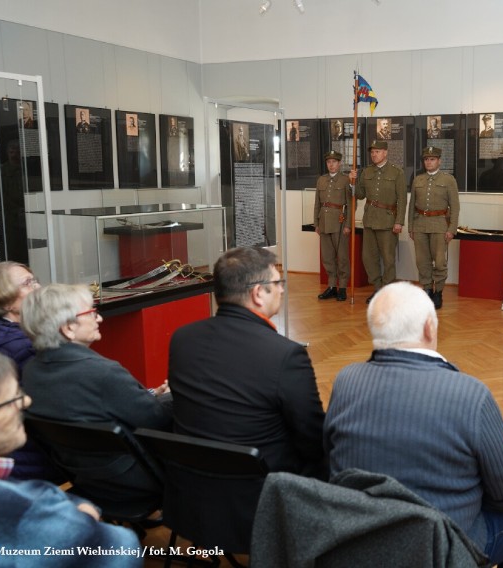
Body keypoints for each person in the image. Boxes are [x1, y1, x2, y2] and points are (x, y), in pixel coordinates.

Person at [325, 282, 503, 567]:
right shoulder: (471, 394)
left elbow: (331, 464)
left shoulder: (346, 381)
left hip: (362, 540)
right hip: (444, 551)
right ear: (430, 327)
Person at [0, 345, 140, 567]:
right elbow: (122, 550)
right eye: (12, 400)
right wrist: (84, 518)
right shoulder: (27, 511)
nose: (26, 402)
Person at [167, 247, 327, 479]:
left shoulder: (182, 339)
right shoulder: (285, 355)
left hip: (189, 489)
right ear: (258, 293)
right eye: (278, 282)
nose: (282, 289)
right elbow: (312, 439)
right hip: (261, 496)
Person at [20, 283, 172, 503]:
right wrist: (171, 395)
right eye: (92, 313)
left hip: (83, 477)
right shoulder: (102, 372)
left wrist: (152, 396)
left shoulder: (32, 370)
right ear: (68, 328)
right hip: (133, 479)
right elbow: (157, 420)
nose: (99, 319)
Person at [0, 262, 57, 481]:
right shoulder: (24, 346)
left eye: (35, 279)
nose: (39, 287)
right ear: (6, 301)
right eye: (29, 283)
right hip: (22, 459)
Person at [350, 140, 407, 303]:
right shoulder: (367, 172)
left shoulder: (397, 172)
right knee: (368, 257)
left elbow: (402, 199)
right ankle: (377, 288)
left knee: (388, 258)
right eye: (372, 152)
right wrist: (352, 181)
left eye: (377, 151)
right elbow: (360, 194)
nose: (374, 154)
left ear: (385, 153)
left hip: (388, 221)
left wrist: (399, 222)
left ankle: (388, 290)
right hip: (369, 221)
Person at [409, 146, 459, 309]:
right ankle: (427, 290)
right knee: (422, 261)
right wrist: (411, 226)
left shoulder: (448, 180)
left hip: (439, 225)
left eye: (432, 159)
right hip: (420, 225)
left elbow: (455, 207)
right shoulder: (418, 180)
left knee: (439, 262)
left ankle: (438, 293)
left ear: (439, 161)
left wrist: (451, 229)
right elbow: (412, 206)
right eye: (426, 159)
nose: (428, 162)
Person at [314, 150, 352, 301]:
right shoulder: (321, 180)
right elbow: (317, 203)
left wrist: (348, 224)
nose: (331, 165)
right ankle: (331, 286)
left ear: (339, 163)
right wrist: (316, 223)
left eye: (334, 162)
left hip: (340, 223)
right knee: (327, 257)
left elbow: (350, 205)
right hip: (324, 222)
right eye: (329, 162)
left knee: (342, 257)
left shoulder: (345, 180)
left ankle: (342, 287)